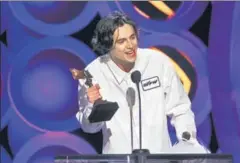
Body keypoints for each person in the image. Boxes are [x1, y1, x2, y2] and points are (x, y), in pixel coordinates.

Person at [71, 11, 198, 154]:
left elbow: (180, 108)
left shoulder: (158, 62)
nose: (130, 45)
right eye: (121, 41)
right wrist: (92, 108)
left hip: (158, 158)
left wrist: (187, 141)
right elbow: (90, 128)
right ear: (107, 45)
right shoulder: (93, 73)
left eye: (132, 38)